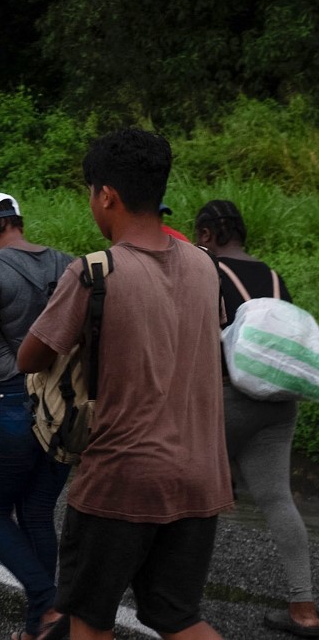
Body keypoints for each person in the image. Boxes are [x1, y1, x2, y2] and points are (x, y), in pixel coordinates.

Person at [17, 128, 233, 640]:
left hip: (121, 476)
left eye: (91, 192)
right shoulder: (206, 267)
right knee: (176, 615)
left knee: (90, 619)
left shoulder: (95, 271)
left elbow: (31, 355)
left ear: (106, 195)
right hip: (200, 473)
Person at [193, 199, 319, 637]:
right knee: (278, 498)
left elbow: (200, 341)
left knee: (193, 493)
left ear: (208, 235)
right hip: (280, 404)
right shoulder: (274, 276)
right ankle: (304, 609)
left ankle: (178, 603)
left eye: (197, 235)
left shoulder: (207, 272)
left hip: (228, 399)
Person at [0, 192, 73, 640]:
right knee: (38, 509)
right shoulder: (69, 264)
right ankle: (38, 628)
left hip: (10, 402)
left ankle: (49, 605)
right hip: (62, 407)